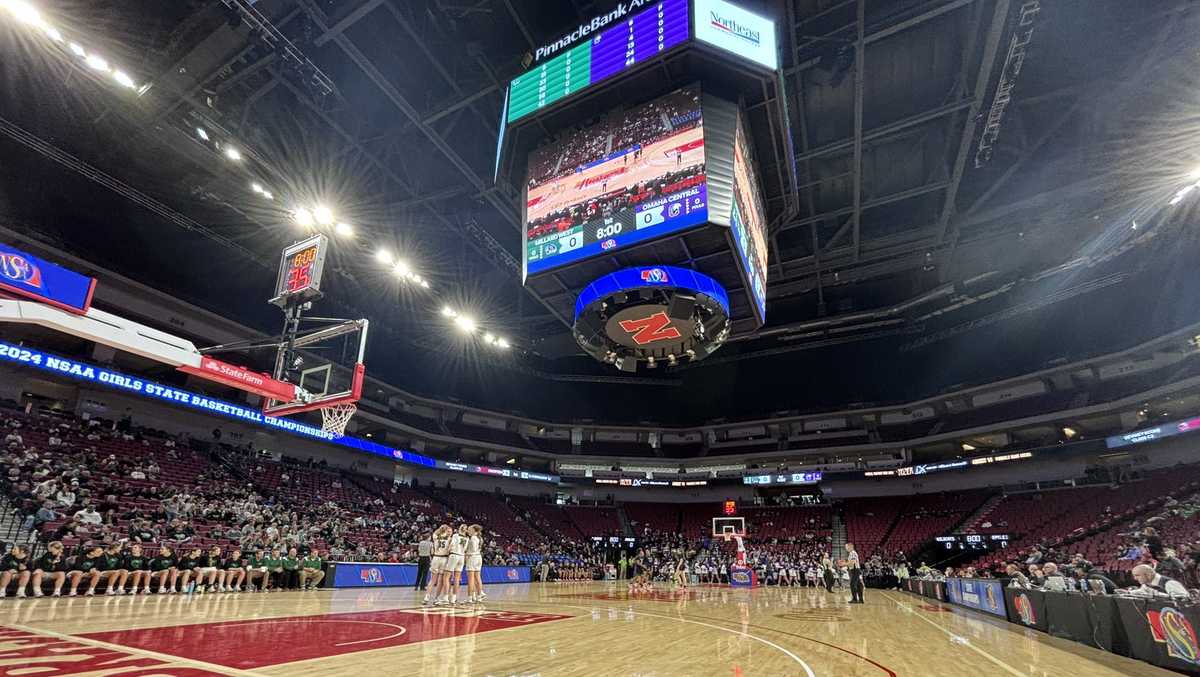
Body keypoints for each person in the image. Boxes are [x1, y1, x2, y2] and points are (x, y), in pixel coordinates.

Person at [423, 525, 451, 606]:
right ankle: (437, 598)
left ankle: (426, 597)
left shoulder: (435, 536)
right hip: (444, 559)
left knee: (432, 580)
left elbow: (435, 532)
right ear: (446, 531)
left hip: (436, 558)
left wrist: (440, 529)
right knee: (440, 581)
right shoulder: (449, 539)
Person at [442, 525, 468, 605]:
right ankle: (454, 598)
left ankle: (445, 598)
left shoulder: (456, 535)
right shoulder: (467, 538)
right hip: (461, 557)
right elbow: (465, 549)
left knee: (446, 577)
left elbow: (451, 546)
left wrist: (446, 552)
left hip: (454, 555)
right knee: (457, 579)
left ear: (459, 529)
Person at [464, 524, 485, 604]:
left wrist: (465, 553)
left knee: (471, 579)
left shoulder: (472, 538)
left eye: (469, 529)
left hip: (472, 558)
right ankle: (479, 596)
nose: (468, 531)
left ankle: (469, 598)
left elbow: (472, 550)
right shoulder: (480, 538)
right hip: (478, 557)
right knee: (478, 578)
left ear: (474, 530)